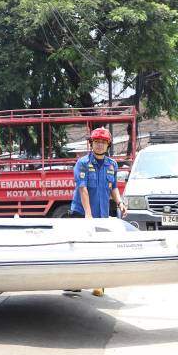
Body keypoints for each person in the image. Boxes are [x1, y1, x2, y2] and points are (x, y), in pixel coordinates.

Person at [69, 127, 128, 297]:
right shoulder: (83, 163)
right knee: (79, 249)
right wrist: (88, 214)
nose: (100, 145)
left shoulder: (112, 165)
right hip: (82, 213)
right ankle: (74, 283)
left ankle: (98, 283)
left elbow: (114, 188)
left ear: (108, 145)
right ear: (91, 144)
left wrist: (120, 203)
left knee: (101, 249)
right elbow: (82, 189)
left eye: (103, 142)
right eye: (97, 142)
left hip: (102, 215)